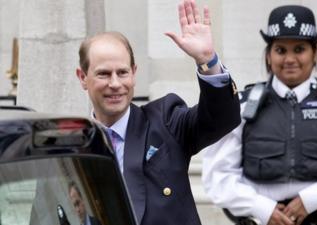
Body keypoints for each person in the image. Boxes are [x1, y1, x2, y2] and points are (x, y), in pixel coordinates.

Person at [202, 5, 317, 225]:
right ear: (268, 55)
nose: (290, 59)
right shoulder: (243, 106)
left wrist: (312, 198)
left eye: (300, 49)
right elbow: (217, 177)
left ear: (316, 53)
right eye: (281, 50)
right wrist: (263, 208)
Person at [74, 0, 240, 224]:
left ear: (134, 73)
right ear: (83, 77)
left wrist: (207, 61)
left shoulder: (165, 120)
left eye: (122, 72)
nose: (115, 84)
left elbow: (221, 119)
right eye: (103, 74)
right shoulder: (72, 145)